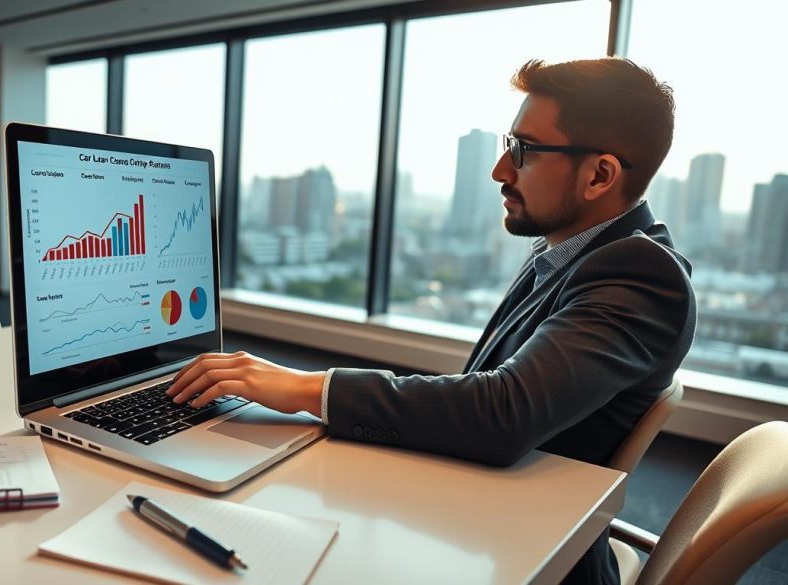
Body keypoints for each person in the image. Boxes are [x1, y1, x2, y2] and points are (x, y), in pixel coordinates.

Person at [167, 57, 696, 585]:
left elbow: (502, 411)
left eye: (525, 151)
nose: (501, 171)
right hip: (486, 515)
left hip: (527, 557)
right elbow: (483, 393)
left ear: (600, 174)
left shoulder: (639, 273)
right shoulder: (569, 254)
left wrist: (306, 387)